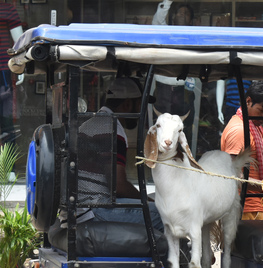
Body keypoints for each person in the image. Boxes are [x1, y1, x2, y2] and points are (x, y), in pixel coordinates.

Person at [61, 77, 163, 232]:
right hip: (93, 211)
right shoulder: (113, 128)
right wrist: (146, 201)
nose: (140, 112)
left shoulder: (95, 122)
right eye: (139, 105)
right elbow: (119, 186)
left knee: (153, 202)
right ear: (128, 104)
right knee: (163, 214)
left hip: (81, 208)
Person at [220, 80, 263, 221]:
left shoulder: (254, 127)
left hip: (255, 207)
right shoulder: (239, 131)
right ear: (248, 101)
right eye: (261, 111)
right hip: (244, 210)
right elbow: (233, 176)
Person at [151, 1, 201, 154]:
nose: (182, 15)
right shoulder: (166, 32)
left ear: (191, 21)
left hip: (184, 91)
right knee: (160, 128)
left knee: (183, 129)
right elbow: (157, 21)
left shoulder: (194, 38)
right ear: (172, 18)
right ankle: (157, 162)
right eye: (180, 13)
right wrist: (167, 3)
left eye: (186, 14)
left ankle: (184, 161)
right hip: (163, 89)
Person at [0, 2, 22, 144]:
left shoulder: (7, 9)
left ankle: (8, 165)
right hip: (3, 70)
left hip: (3, 70)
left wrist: (20, 64)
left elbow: (19, 41)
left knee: (6, 121)